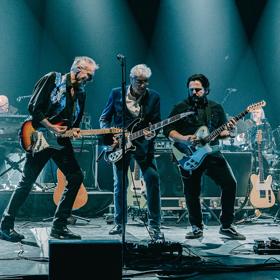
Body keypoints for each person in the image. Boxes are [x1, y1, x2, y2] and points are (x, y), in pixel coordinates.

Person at [0, 56, 99, 242]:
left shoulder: (81, 93)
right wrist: (52, 127)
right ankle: (6, 225)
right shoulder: (53, 79)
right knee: (27, 181)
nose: (89, 80)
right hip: (41, 137)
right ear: (78, 69)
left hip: (60, 142)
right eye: (89, 75)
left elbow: (73, 121)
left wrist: (75, 130)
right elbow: (34, 108)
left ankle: (59, 226)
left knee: (76, 177)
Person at [163, 73, 246, 240]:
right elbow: (168, 131)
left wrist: (229, 132)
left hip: (212, 152)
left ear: (206, 90)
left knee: (230, 184)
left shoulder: (216, 108)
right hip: (187, 154)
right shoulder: (180, 107)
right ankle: (196, 227)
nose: (194, 92)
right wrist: (184, 139)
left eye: (198, 89)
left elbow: (221, 133)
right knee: (191, 191)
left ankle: (226, 225)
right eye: (191, 89)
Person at [99, 64, 164, 240]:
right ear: (131, 79)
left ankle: (155, 225)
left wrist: (152, 133)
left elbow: (157, 122)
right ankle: (119, 223)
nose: (143, 86)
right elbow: (104, 118)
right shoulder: (116, 93)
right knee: (120, 184)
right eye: (139, 82)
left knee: (153, 180)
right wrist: (110, 136)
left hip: (144, 145)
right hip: (120, 144)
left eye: (146, 82)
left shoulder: (154, 97)